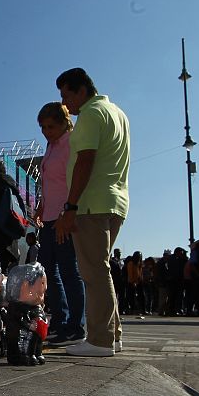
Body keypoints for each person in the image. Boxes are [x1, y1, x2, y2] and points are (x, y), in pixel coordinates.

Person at [54, 68, 130, 357]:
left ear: (81, 91)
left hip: (91, 203)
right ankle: (114, 335)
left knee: (94, 272)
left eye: (66, 96)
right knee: (102, 269)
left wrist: (70, 206)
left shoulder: (89, 116)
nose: (65, 104)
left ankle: (100, 340)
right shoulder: (117, 113)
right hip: (116, 201)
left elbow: (85, 161)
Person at [33, 102, 86, 346]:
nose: (46, 131)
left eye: (50, 126)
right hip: (49, 216)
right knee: (49, 271)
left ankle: (76, 325)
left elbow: (74, 178)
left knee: (68, 270)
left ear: (65, 122)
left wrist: (69, 211)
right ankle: (61, 320)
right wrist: (42, 204)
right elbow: (50, 180)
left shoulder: (71, 143)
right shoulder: (51, 146)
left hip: (65, 215)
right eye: (43, 127)